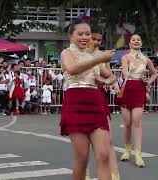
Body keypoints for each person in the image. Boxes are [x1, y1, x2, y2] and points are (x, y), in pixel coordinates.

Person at [60, 19, 115, 180]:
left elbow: (110, 76)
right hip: (75, 102)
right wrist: (99, 59)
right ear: (70, 36)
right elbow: (72, 69)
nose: (85, 37)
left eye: (88, 34)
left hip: (96, 103)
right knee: (82, 159)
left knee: (103, 155)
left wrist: (106, 81)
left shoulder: (95, 54)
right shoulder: (67, 53)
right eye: (80, 34)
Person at [85, 23, 120, 180]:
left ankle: (114, 175)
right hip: (82, 96)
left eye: (99, 39)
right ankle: (84, 175)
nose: (97, 42)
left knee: (108, 139)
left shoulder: (103, 55)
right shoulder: (76, 54)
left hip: (99, 97)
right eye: (94, 38)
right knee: (84, 142)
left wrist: (109, 81)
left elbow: (110, 75)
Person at [117, 34, 158, 167]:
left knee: (137, 121)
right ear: (130, 43)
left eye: (138, 40)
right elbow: (124, 72)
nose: (136, 41)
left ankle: (138, 154)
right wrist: (127, 72)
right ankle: (127, 149)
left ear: (141, 43)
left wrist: (148, 82)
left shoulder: (146, 59)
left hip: (139, 89)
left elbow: (154, 73)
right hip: (126, 88)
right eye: (133, 40)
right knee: (127, 122)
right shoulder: (125, 57)